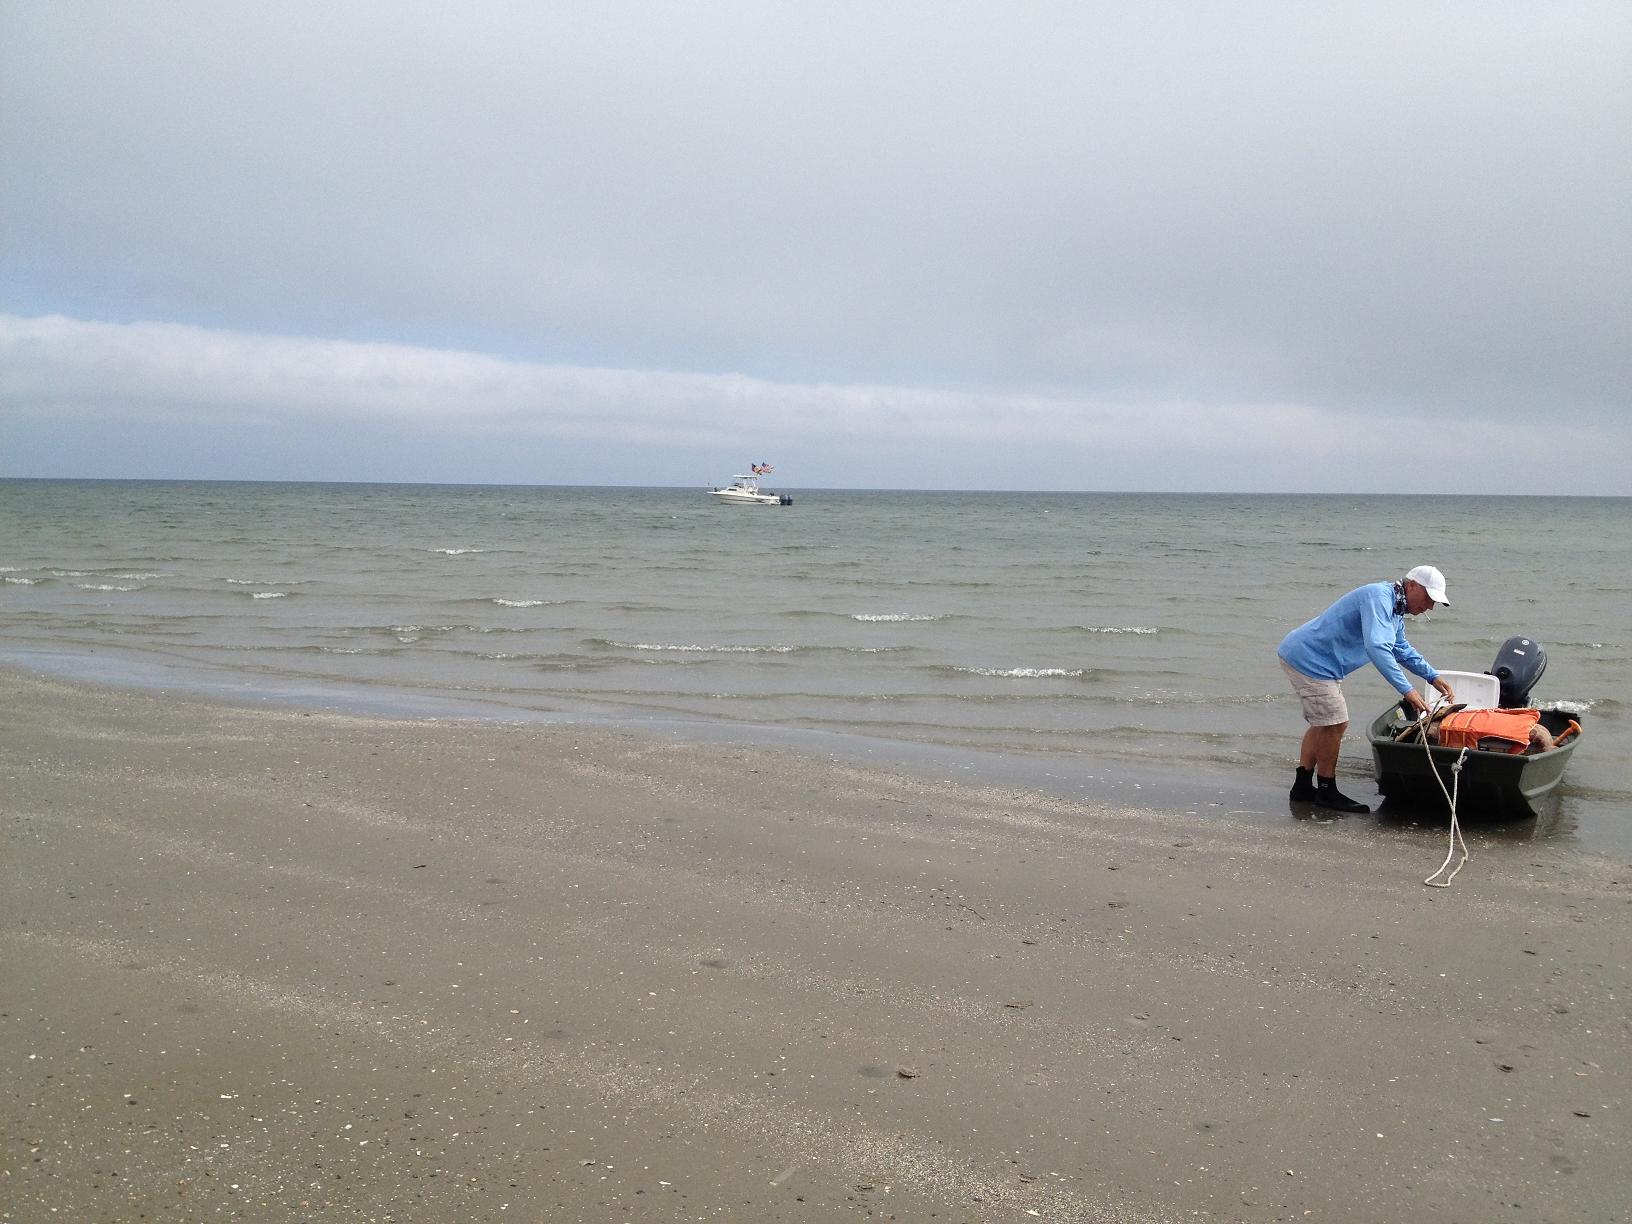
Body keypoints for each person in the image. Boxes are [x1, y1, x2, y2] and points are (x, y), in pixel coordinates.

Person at [1277, 565, 1454, 813]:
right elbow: (1377, 647)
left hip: (1315, 660)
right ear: (1412, 586)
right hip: (1309, 659)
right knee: (1335, 723)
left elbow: (1400, 648)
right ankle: (1327, 791)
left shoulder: (1395, 609)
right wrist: (1407, 690)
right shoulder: (1378, 597)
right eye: (1428, 598)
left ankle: (1303, 787)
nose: (1430, 607)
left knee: (1325, 723)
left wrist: (1432, 676)